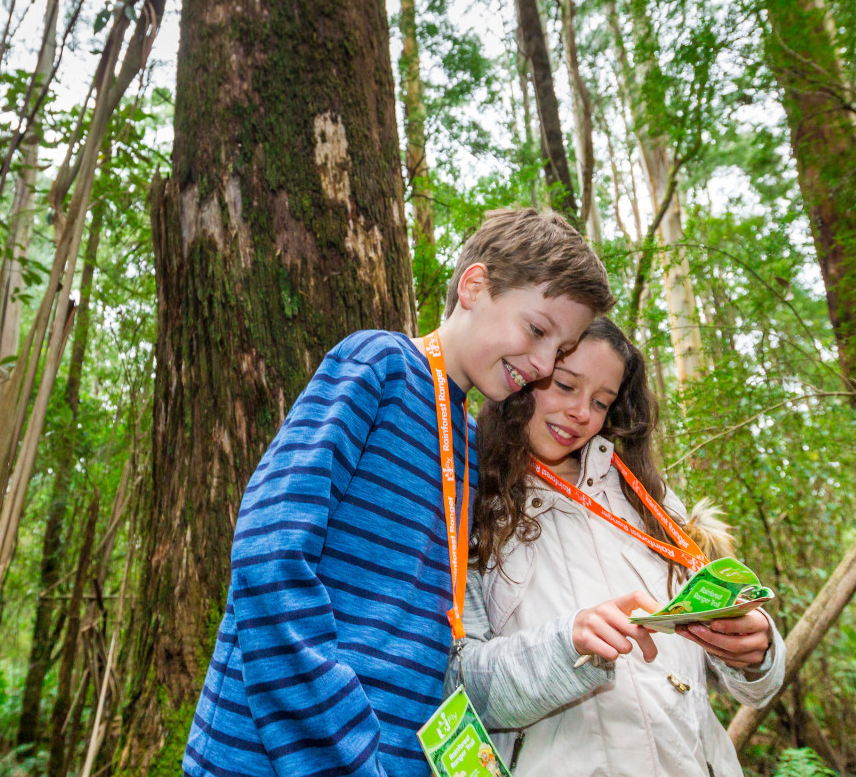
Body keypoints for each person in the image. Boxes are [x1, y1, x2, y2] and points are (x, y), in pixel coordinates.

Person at [183, 209, 616, 776]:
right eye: (537, 330)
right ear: (474, 286)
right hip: (272, 756)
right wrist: (345, 749)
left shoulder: (469, 444)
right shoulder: (378, 365)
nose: (539, 364)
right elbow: (271, 556)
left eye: (558, 351)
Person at [446, 317, 785, 776]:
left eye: (601, 402)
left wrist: (757, 652)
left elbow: (747, 685)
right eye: (565, 385)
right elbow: (458, 684)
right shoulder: (467, 504)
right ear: (526, 374)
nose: (582, 413)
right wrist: (566, 646)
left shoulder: (651, 499)